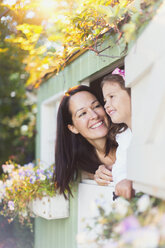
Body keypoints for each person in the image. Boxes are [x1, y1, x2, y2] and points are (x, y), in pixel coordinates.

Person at [54, 85, 125, 197]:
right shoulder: (83, 163)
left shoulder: (127, 137)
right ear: (73, 128)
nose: (94, 115)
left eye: (96, 106)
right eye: (82, 113)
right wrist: (96, 174)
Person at [94, 68, 134, 199]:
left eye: (112, 97)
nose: (106, 106)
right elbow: (121, 168)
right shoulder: (124, 137)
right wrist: (120, 176)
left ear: (133, 92)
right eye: (105, 100)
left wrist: (133, 181)